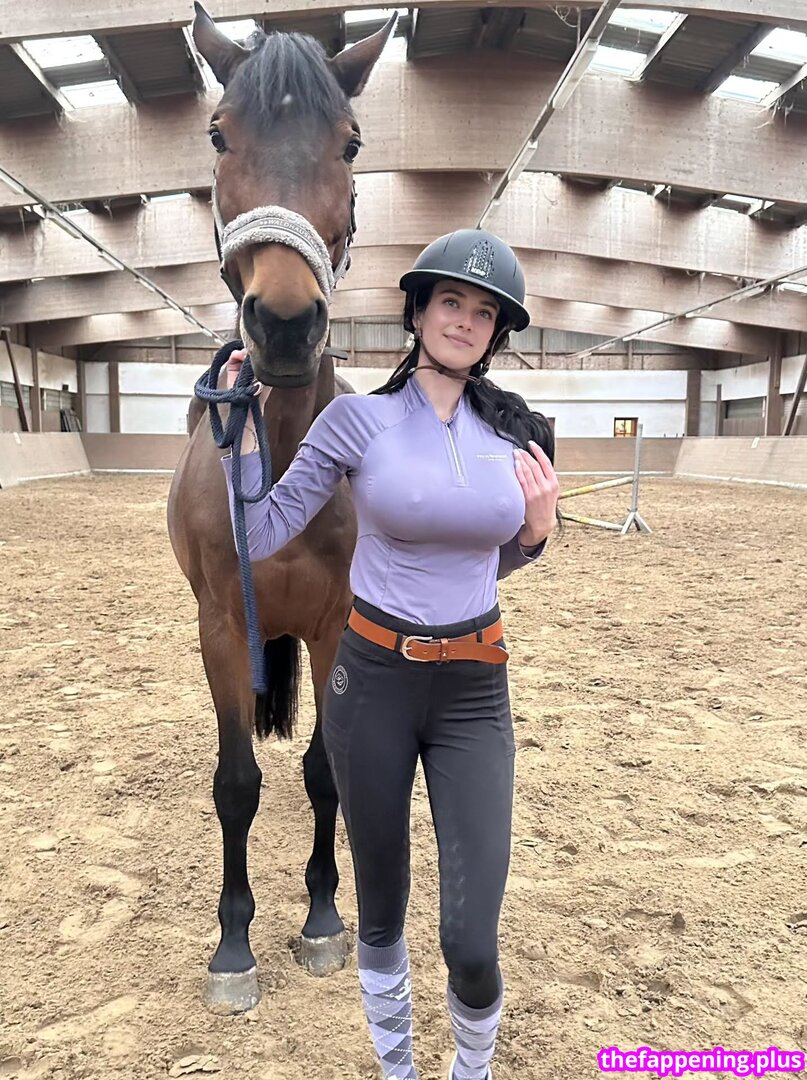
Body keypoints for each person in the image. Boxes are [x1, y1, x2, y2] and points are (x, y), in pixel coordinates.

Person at [222, 229, 559, 1080]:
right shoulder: (356, 420)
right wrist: (243, 436)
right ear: (417, 312)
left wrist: (535, 536)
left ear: (497, 332)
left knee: (471, 942)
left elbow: (491, 559)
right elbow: (259, 532)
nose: (465, 320)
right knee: (380, 911)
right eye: (451, 301)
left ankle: (472, 1070)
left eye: (483, 312)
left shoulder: (518, 434)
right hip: (371, 683)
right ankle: (399, 1069)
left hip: (474, 691)